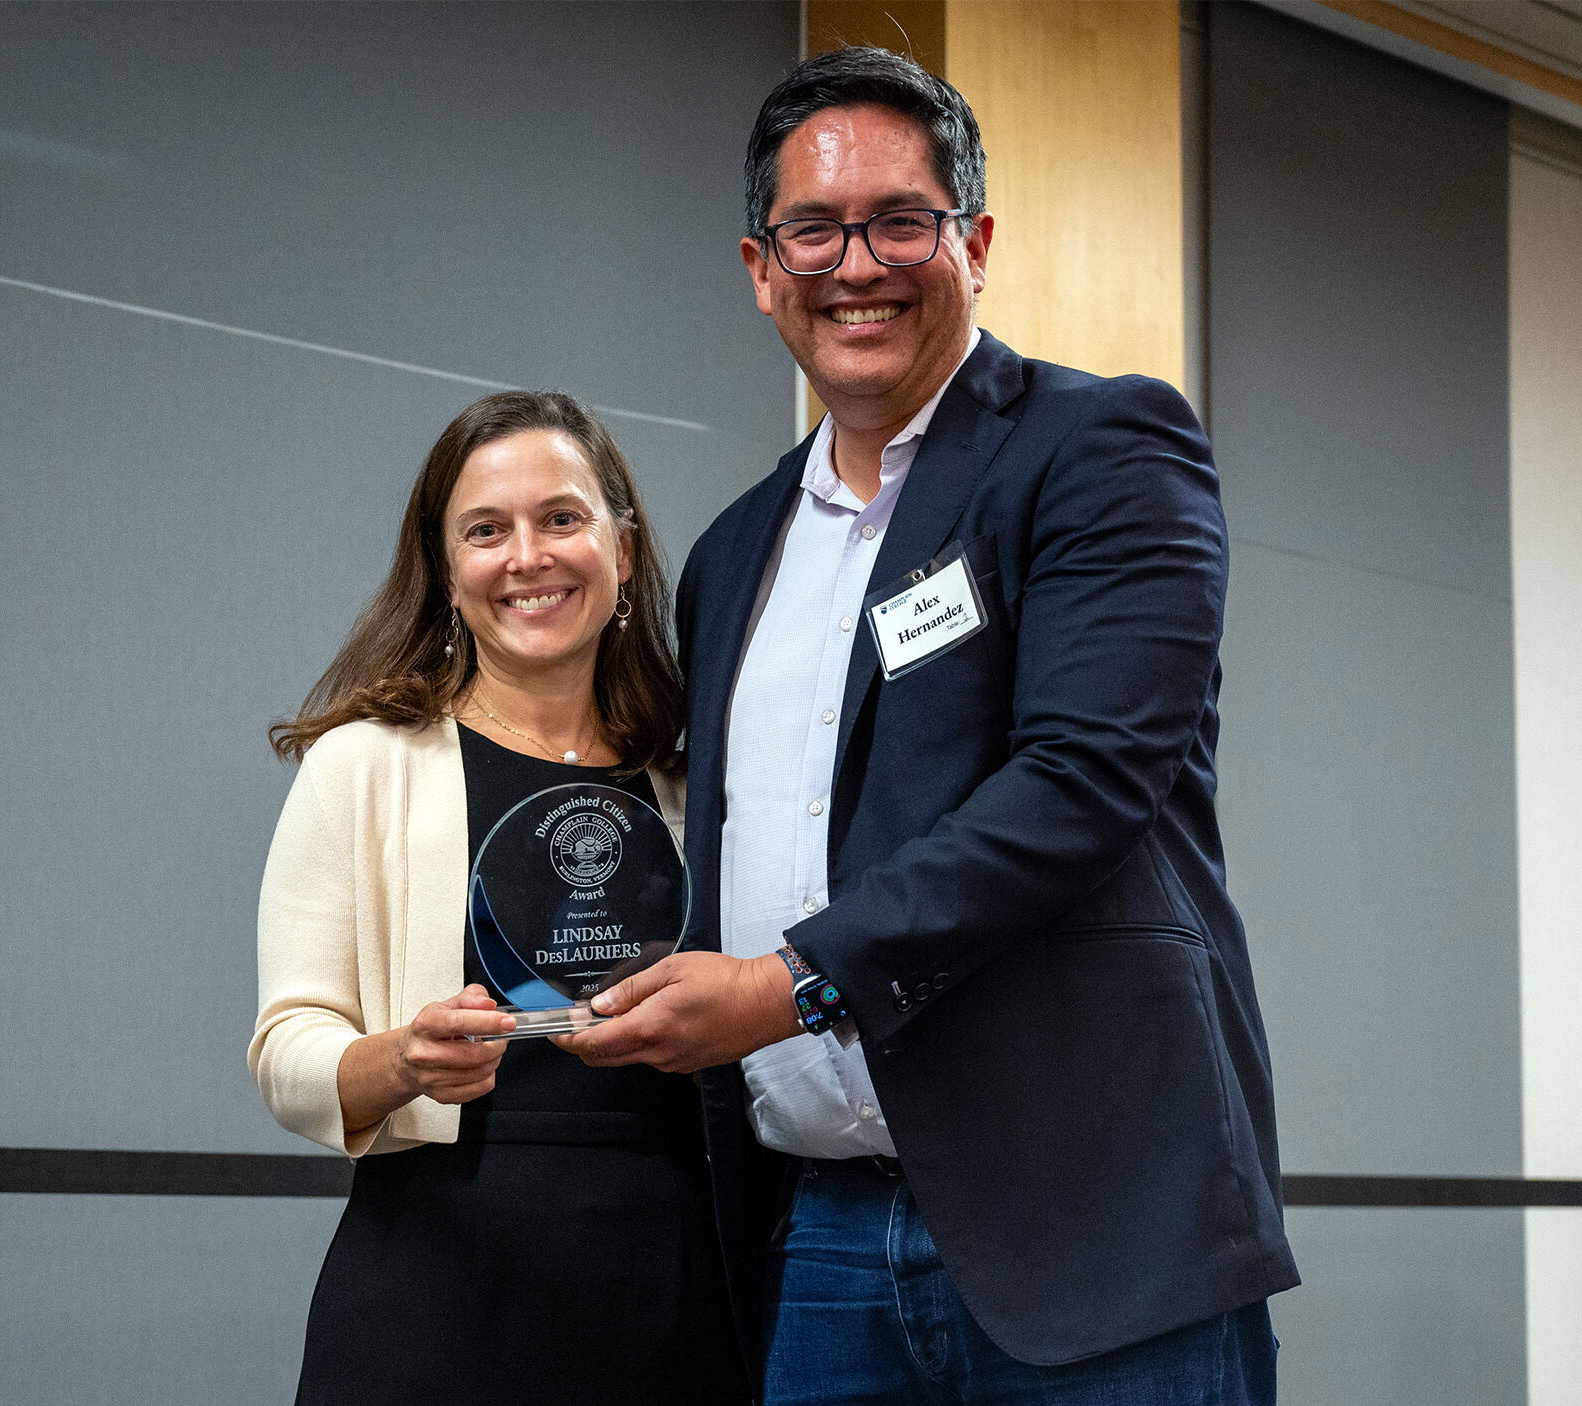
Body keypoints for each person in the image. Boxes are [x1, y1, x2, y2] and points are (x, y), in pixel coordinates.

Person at [557, 47, 1300, 1404]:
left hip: (1094, 1228)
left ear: (976, 241)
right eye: (814, 230)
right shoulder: (733, 555)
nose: (860, 264)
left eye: (903, 219)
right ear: (759, 266)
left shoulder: (1102, 449)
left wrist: (783, 986)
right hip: (825, 1240)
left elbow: (1081, 784)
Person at [249, 390, 745, 1406]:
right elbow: (287, 1046)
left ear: (622, 543)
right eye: (486, 529)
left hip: (679, 1287)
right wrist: (399, 1059)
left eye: (560, 517)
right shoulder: (363, 765)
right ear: (445, 570)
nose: (527, 555)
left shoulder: (704, 782)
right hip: (435, 1279)